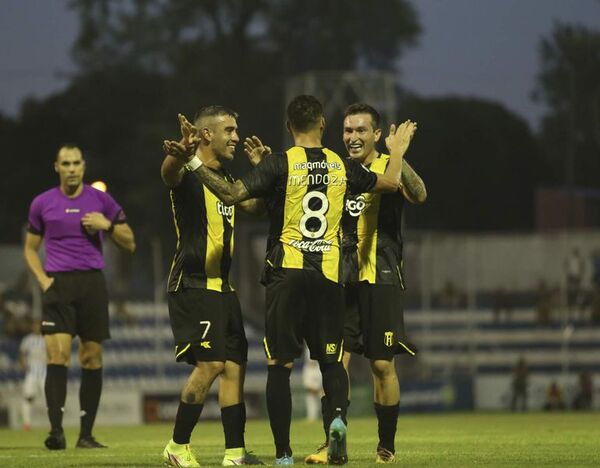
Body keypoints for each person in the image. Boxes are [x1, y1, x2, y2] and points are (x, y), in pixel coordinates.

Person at [164, 94, 416, 465]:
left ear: (288, 127)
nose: (235, 136)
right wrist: (398, 150)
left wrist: (215, 164)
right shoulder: (339, 164)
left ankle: (282, 453)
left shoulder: (280, 164)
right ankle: (336, 421)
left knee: (278, 365)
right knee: (332, 363)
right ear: (324, 126)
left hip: (285, 274)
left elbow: (238, 197)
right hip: (330, 275)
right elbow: (394, 183)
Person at [306, 103, 425, 464]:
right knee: (334, 361)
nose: (352, 137)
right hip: (341, 279)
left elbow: (419, 194)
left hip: (382, 276)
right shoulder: (336, 169)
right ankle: (332, 442)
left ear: (376, 134)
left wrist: (398, 154)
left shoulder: (390, 166)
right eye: (347, 131)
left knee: (381, 365)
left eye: (360, 131)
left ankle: (385, 446)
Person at [160, 109, 264, 467]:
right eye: (229, 130)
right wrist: (179, 154)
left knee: (234, 366)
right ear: (206, 135)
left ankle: (235, 454)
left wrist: (261, 175)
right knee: (211, 364)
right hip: (193, 283)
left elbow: (253, 205)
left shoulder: (225, 177)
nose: (236, 136)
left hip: (223, 288)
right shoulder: (186, 174)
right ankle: (177, 446)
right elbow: (168, 174)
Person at [23, 144, 135, 450]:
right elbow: (30, 249)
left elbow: (130, 243)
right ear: (57, 167)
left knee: (91, 357)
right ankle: (56, 432)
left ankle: (86, 435)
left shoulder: (100, 200)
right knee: (56, 355)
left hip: (92, 285)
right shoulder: (42, 203)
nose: (71, 168)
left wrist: (107, 225)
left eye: (76, 163)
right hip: (57, 285)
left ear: (83, 166)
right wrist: (43, 280)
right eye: (66, 163)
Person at [19, 319, 46, 431]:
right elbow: (22, 354)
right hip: (32, 373)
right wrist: (23, 364)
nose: (36, 328)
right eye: (34, 325)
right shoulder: (27, 339)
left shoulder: (46, 338)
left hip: (45, 373)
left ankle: (54, 424)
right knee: (28, 397)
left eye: (38, 325)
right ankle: (26, 423)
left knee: (50, 399)